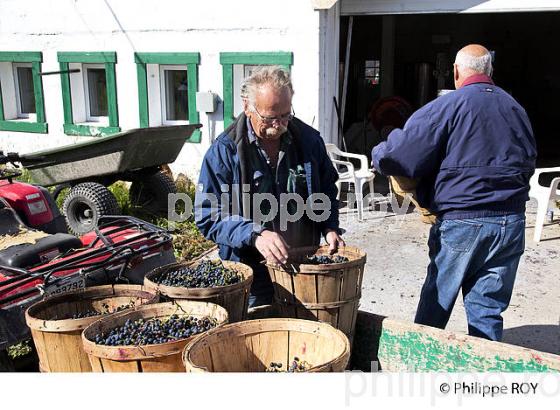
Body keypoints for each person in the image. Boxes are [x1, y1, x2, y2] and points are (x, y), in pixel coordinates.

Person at [371, 44, 537, 341]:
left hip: (463, 223)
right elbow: (529, 160)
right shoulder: (516, 109)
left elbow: (401, 155)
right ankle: (482, 378)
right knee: (487, 309)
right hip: (511, 223)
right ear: (490, 71)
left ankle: (418, 367)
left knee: (436, 305)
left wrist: (380, 148)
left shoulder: (447, 107)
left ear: (457, 71)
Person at [195, 66, 344, 308]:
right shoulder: (225, 151)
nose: (279, 125)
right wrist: (255, 234)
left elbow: (326, 189)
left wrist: (329, 226)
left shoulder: (308, 141)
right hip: (252, 276)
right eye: (269, 118)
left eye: (285, 115)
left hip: (304, 268)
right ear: (247, 107)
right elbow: (208, 215)